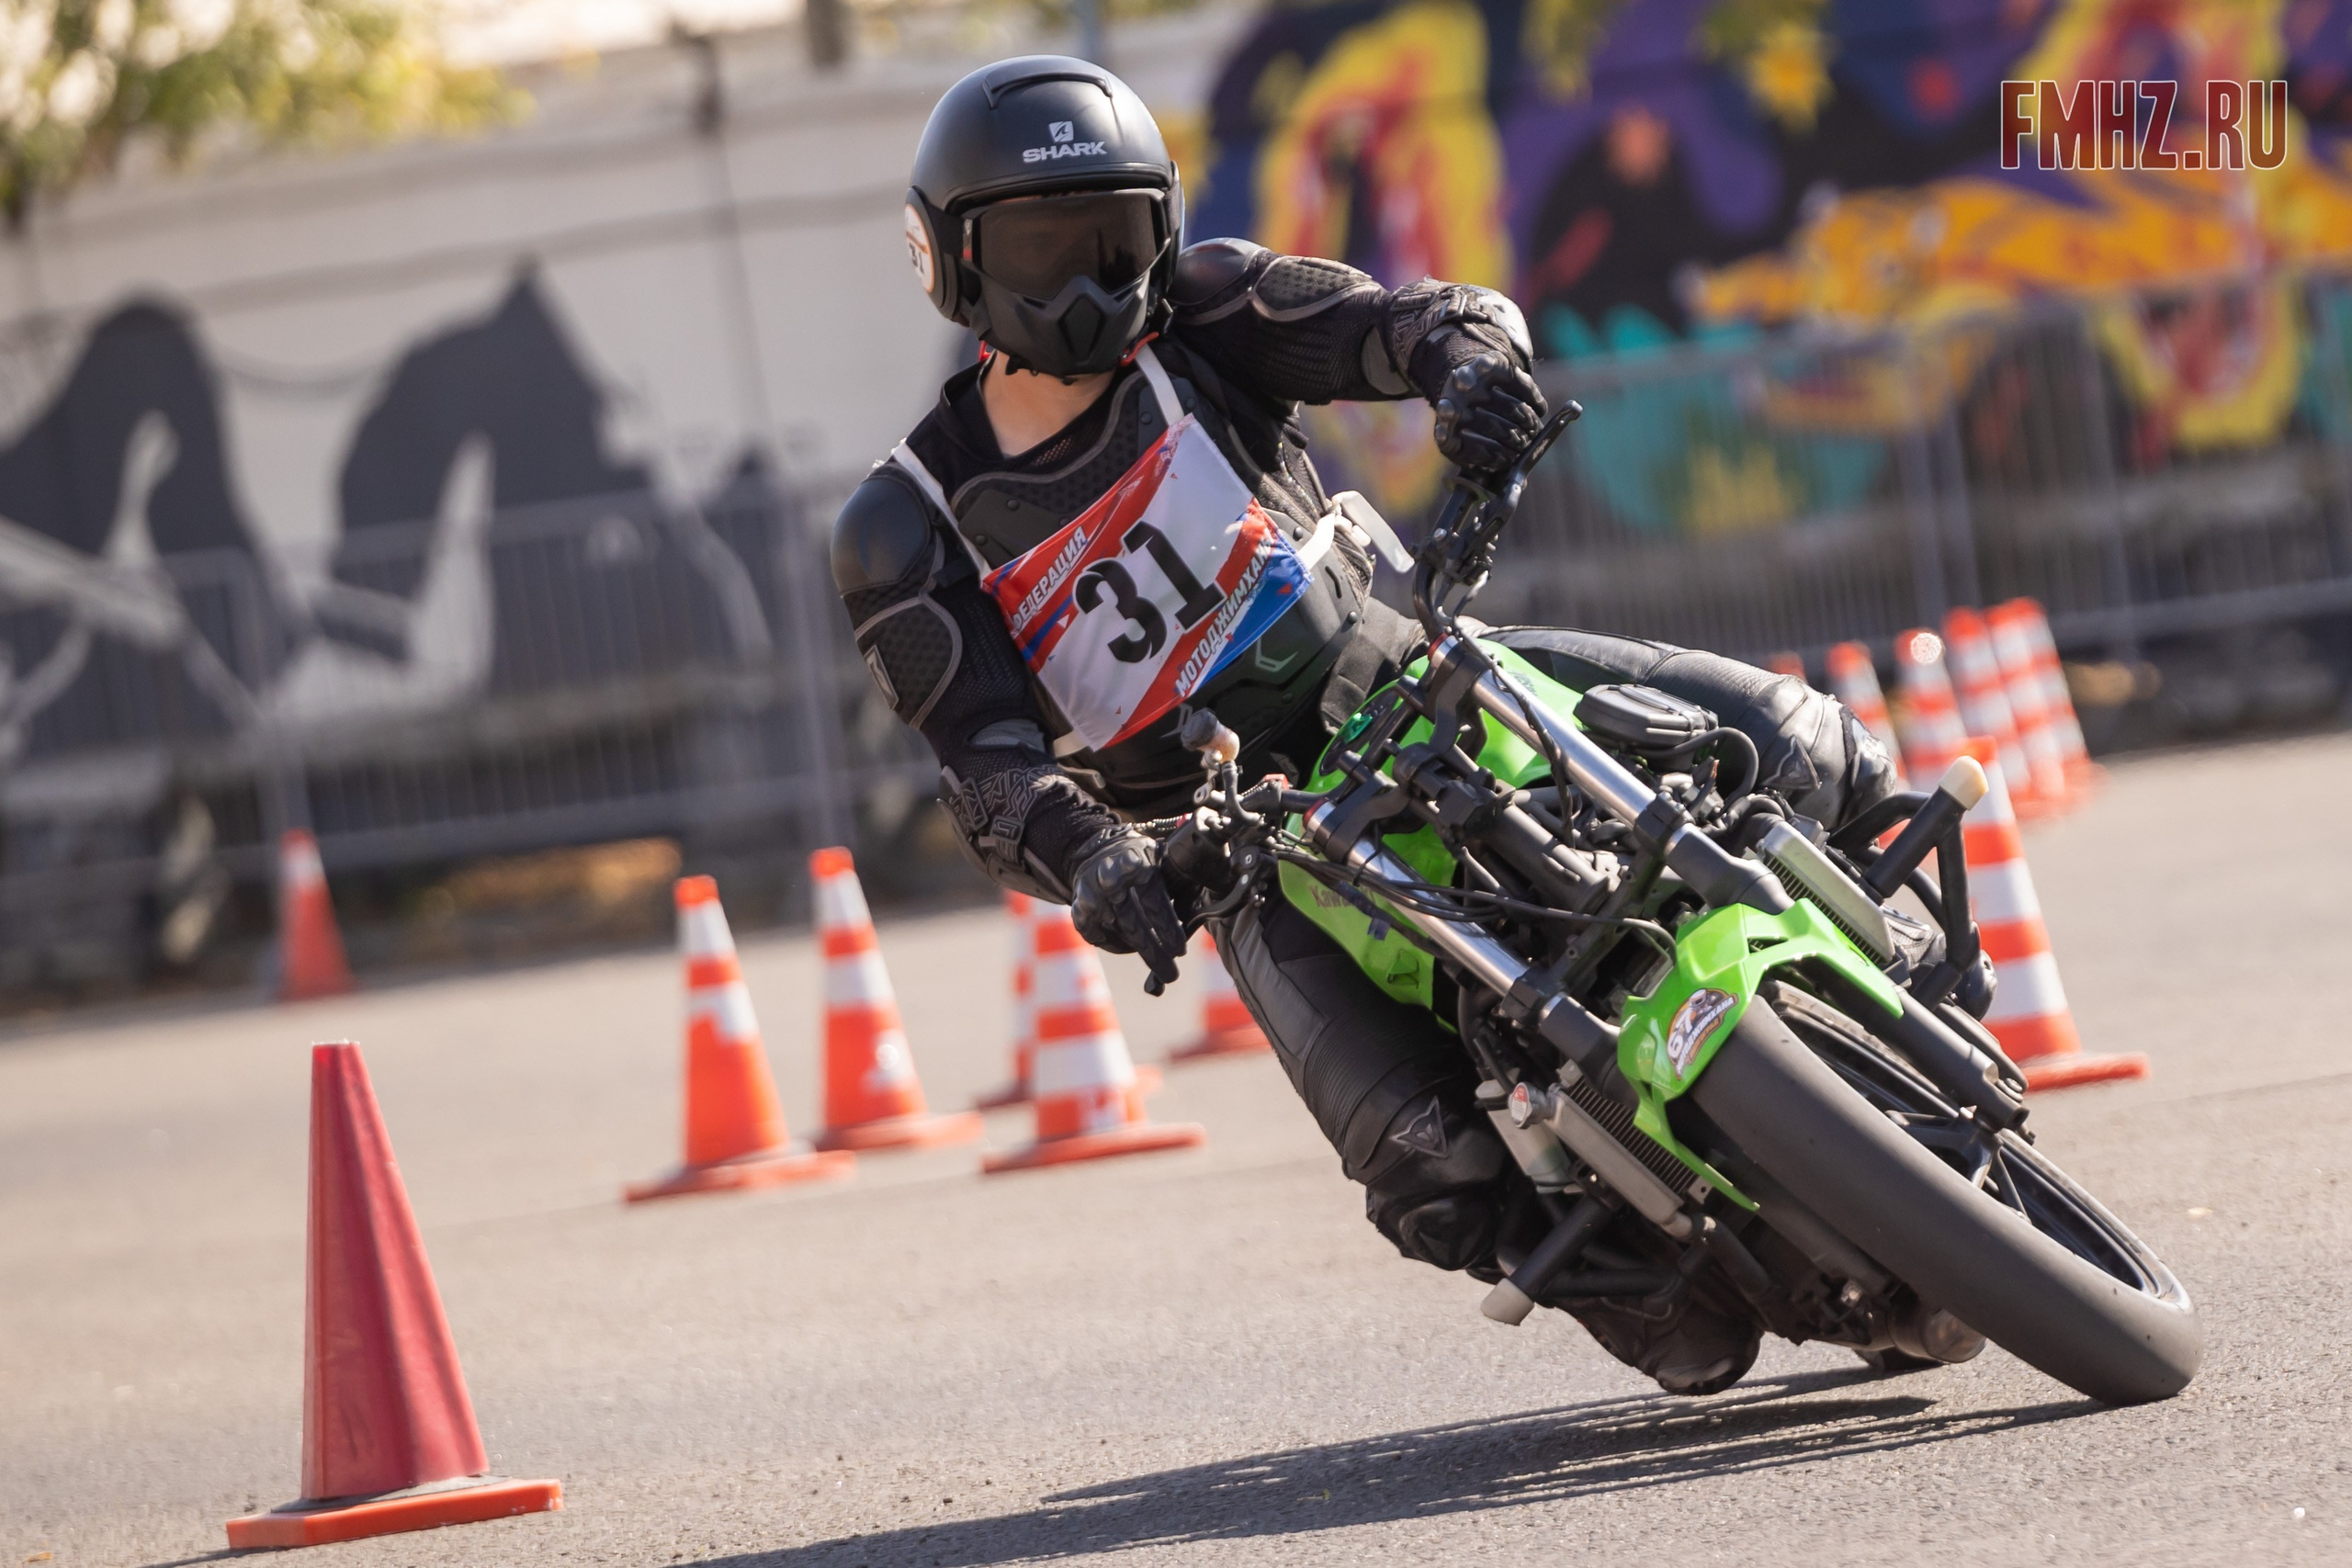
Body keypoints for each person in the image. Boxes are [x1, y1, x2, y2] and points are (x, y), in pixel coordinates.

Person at [834, 56, 1899, 1393]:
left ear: (1159, 232)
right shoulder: (907, 521)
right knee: (1428, 1169)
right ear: (956, 262)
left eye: (1113, 241)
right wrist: (1099, 860)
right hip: (1247, 842)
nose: (1086, 287)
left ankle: (1895, 981)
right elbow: (983, 769)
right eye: (1044, 251)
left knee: (1801, 743)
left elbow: (1417, 319)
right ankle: (1639, 1246)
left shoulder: (1209, 309)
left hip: (1421, 669)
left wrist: (1472, 373)